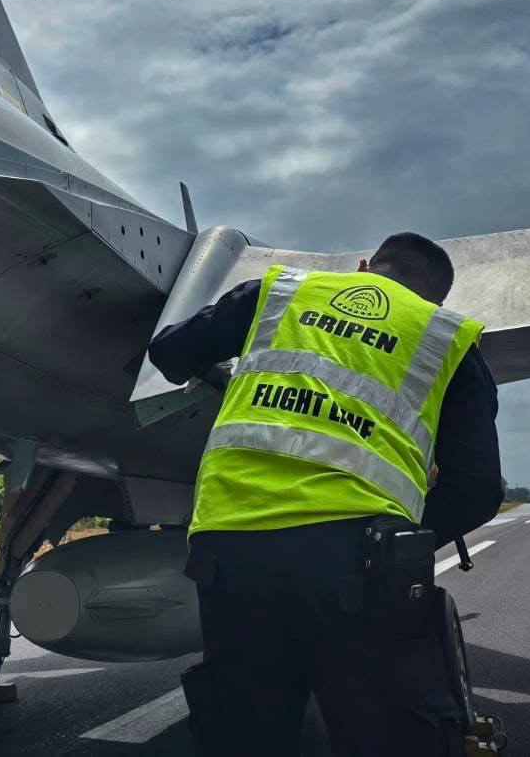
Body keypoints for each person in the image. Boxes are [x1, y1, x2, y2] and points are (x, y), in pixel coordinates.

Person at [149, 232, 503, 756]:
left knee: (243, 735)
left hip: (232, 555)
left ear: (363, 266)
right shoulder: (444, 337)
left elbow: (169, 352)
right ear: (436, 299)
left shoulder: (279, 292)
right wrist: (406, 542)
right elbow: (478, 488)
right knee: (387, 735)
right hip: (362, 560)